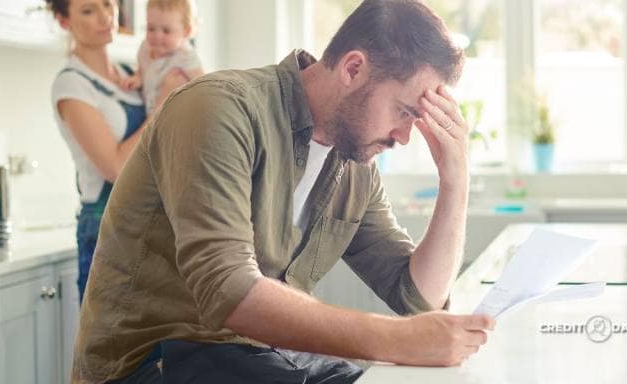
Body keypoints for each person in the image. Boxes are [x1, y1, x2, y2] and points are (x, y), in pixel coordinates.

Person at [72, 1, 496, 383]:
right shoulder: (217, 109)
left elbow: (418, 298)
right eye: (404, 111)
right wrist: (396, 339)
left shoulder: (354, 168)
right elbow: (229, 289)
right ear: (353, 69)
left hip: (259, 360)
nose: (405, 136)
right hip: (153, 366)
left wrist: (455, 180)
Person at [46, 0, 184, 301]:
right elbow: (116, 168)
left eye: (108, 4)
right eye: (87, 10)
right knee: (116, 342)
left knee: (157, 343)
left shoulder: (129, 75)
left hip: (156, 224)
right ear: (63, 21)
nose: (105, 16)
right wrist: (162, 106)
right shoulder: (72, 84)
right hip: (108, 226)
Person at [120, 0, 205, 115]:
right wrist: (138, 78)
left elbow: (204, 86)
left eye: (166, 31)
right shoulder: (145, 48)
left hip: (178, 116)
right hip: (151, 114)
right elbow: (142, 70)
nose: (157, 36)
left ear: (186, 31)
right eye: (151, 28)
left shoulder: (186, 57)